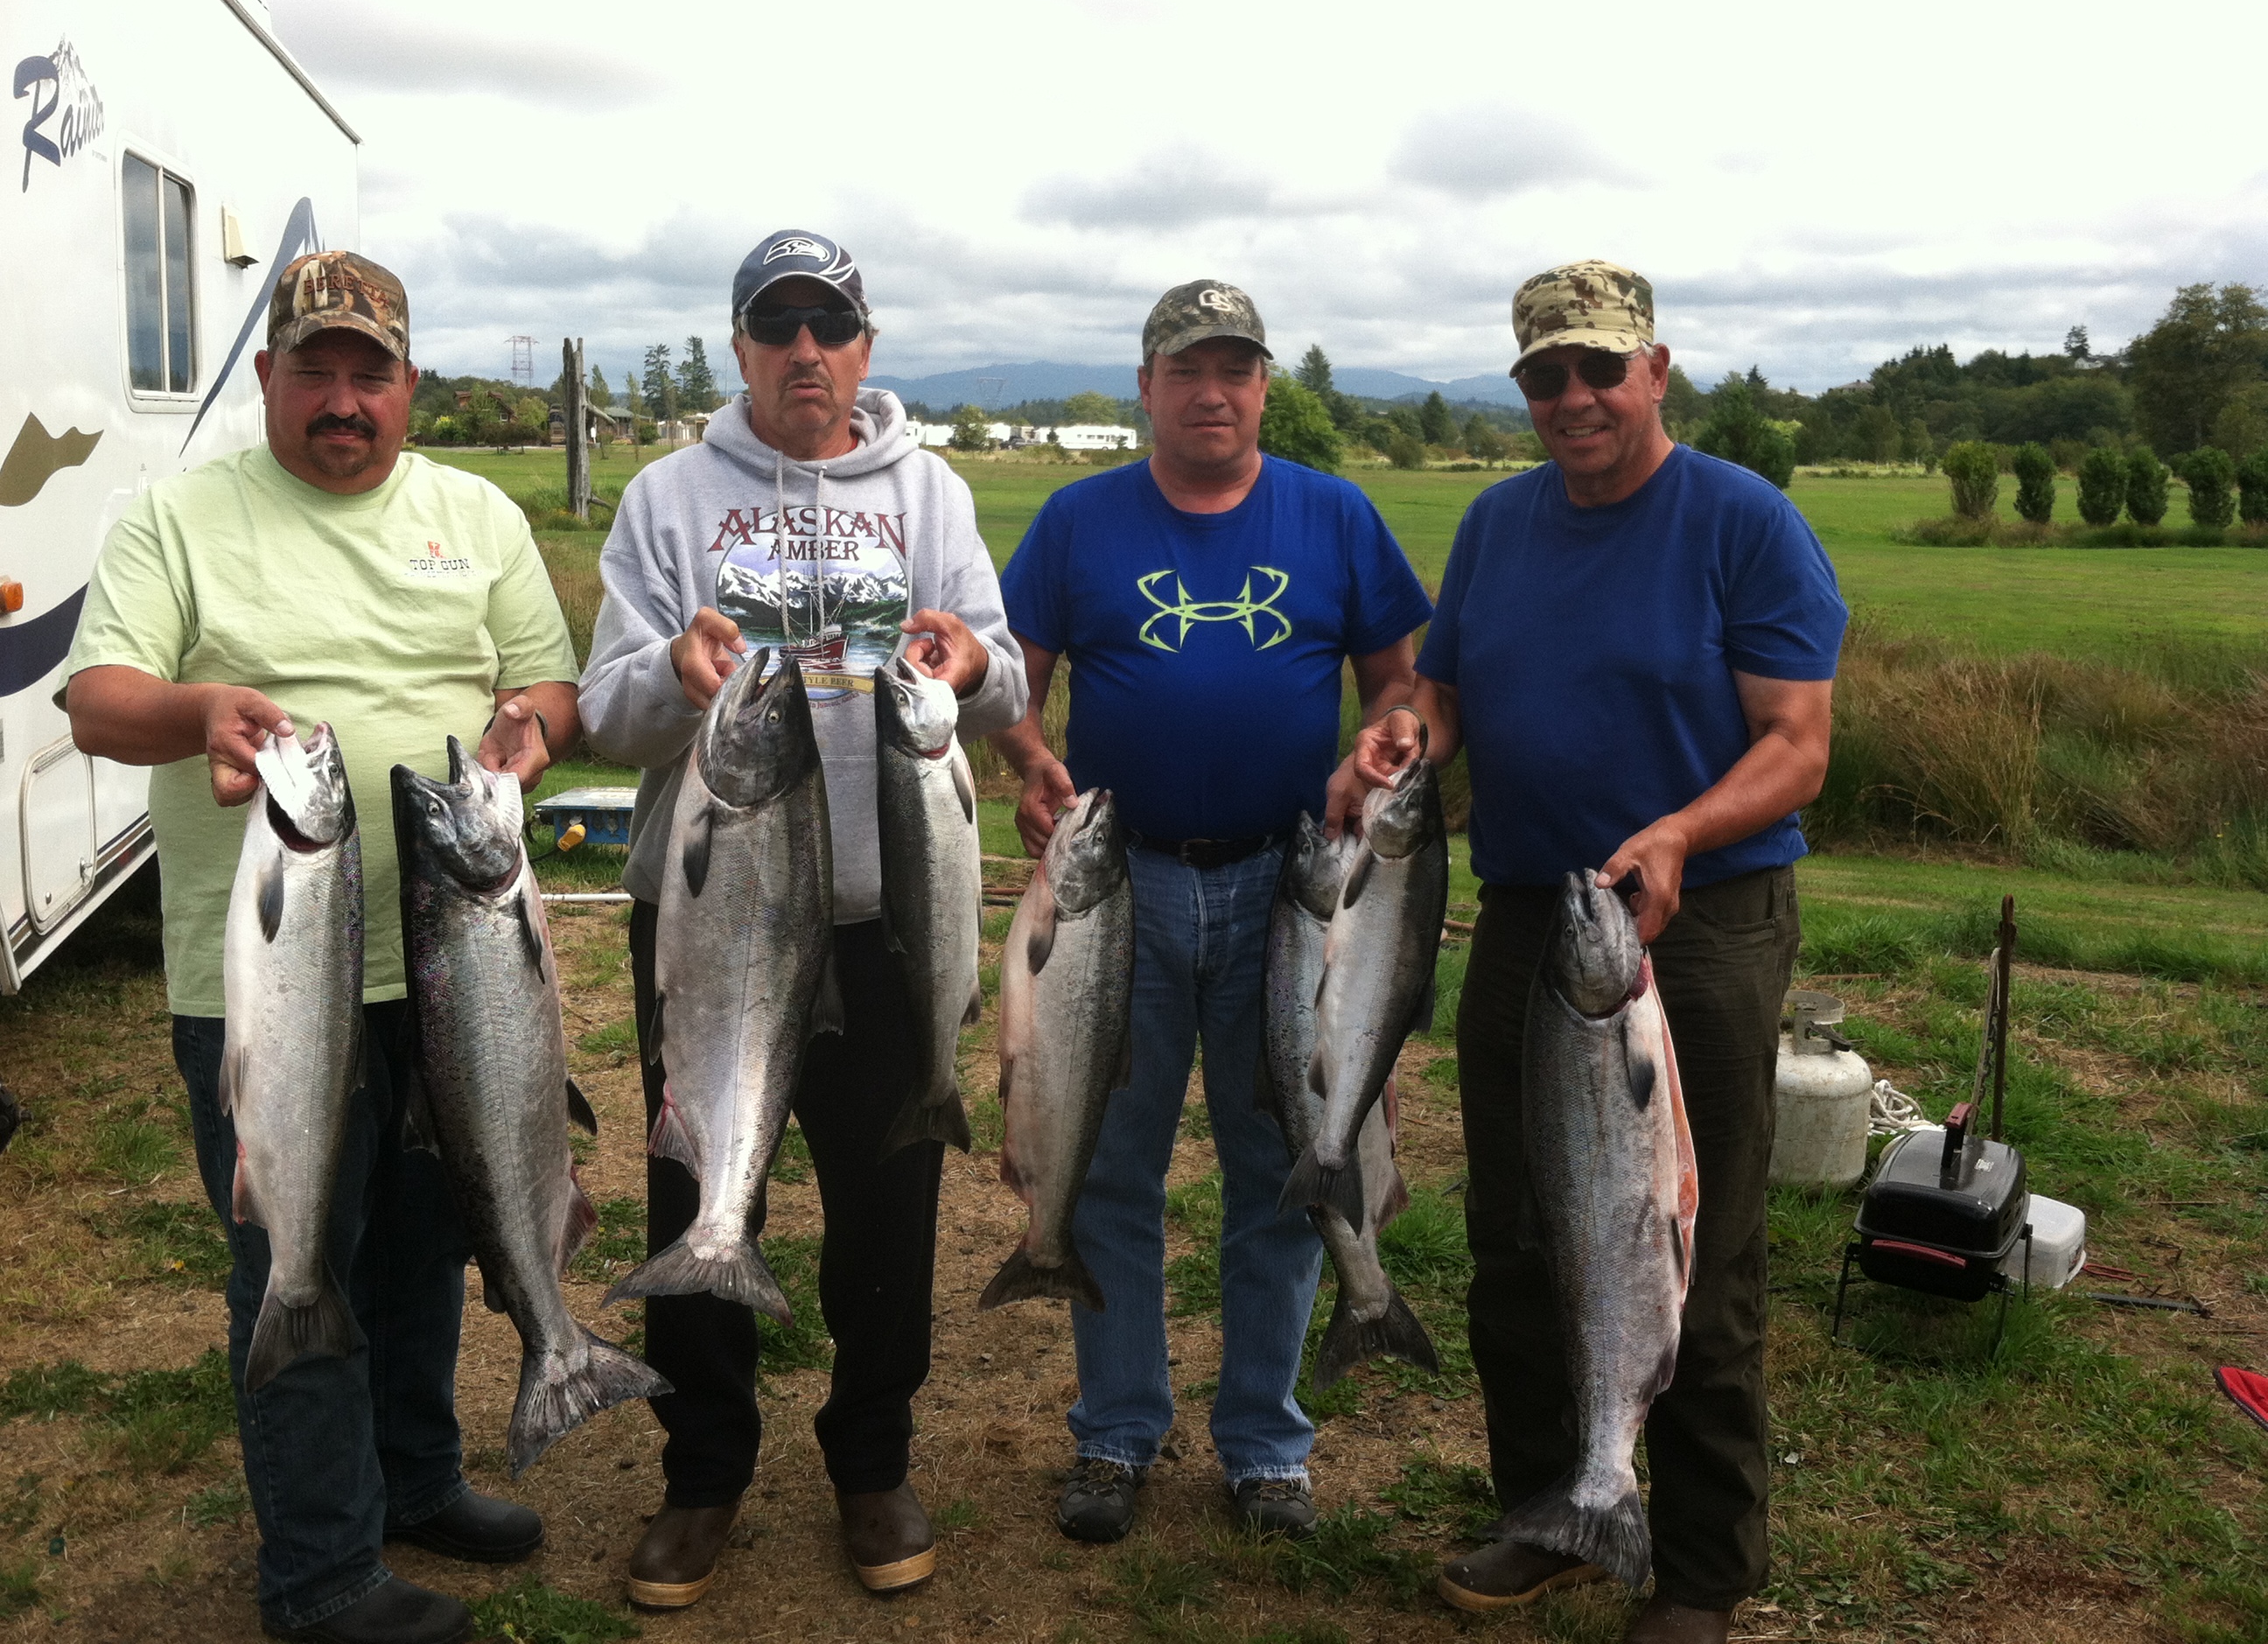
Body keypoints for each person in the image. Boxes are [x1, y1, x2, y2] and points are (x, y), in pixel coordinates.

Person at [63, 251, 583, 1644]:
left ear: (408, 384)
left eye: (370, 373)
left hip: (455, 968)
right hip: (269, 996)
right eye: (317, 370)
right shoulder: (180, 517)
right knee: (299, 1261)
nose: (343, 400)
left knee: (428, 1248)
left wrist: (530, 728)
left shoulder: (475, 514)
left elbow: (544, 679)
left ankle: (416, 1483)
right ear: (267, 377)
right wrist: (205, 712)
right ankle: (320, 1572)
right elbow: (98, 702)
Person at [1334, 261, 1844, 1643]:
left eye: (1598, 370)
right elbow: (1442, 691)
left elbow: (1796, 746)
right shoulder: (1500, 527)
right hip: (1529, 916)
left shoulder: (1744, 523)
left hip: (1701, 923)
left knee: (1689, 1246)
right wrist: (1403, 737)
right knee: (1518, 1235)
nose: (1572, 399)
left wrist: (1679, 829)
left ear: (1656, 370)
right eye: (1544, 377)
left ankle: (1695, 1572)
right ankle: (1556, 1508)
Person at [578, 228, 1026, 1608]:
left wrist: (970, 661)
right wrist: (672, 666)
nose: (806, 353)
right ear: (741, 349)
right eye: (777, 328)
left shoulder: (932, 492)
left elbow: (1000, 678)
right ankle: (701, 1475)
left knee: (889, 1210)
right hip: (713, 924)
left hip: (887, 928)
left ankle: (871, 1460)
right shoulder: (667, 497)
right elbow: (607, 709)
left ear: (867, 349)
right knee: (702, 1185)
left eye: (830, 327)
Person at [990, 280, 1433, 1544]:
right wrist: (1029, 762)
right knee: (1108, 1166)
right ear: (1146, 386)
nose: (1213, 391)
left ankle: (1265, 1445)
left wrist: (1388, 735)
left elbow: (1398, 675)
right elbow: (1016, 683)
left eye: (1236, 368)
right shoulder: (1079, 521)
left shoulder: (1334, 513)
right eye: (1188, 368)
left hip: (1289, 893)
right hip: (1115, 891)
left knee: (1288, 1164)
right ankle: (1118, 1432)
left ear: (1261, 386)